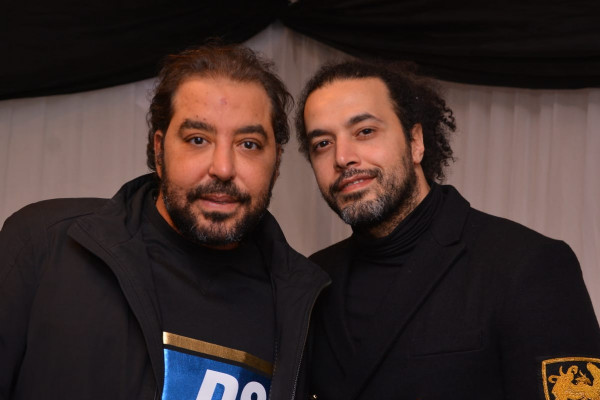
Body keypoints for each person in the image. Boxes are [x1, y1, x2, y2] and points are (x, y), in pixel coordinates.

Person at [0, 45, 329, 400]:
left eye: (248, 144)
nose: (222, 168)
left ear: (276, 164)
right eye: (198, 140)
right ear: (159, 151)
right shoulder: (44, 244)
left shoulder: (303, 304)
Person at [295, 61, 600, 400]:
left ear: (415, 142)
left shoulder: (529, 265)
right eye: (322, 143)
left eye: (365, 131)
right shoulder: (312, 279)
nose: (342, 157)